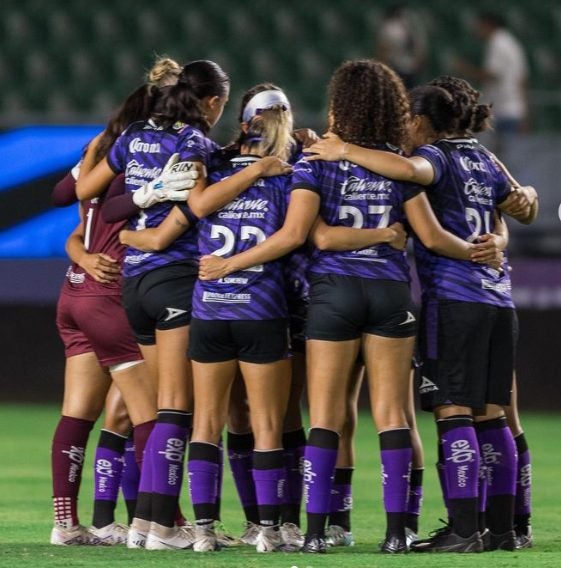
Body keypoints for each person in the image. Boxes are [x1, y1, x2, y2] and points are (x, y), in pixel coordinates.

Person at [198, 60, 500, 554]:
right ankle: (398, 532)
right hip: (389, 295)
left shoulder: (316, 162)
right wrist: (474, 249)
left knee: (326, 415)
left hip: (333, 296)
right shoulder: (398, 165)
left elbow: (308, 235)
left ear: (340, 104)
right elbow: (426, 235)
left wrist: (228, 266)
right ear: (390, 107)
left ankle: (316, 532)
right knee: (392, 415)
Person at [304, 76, 537, 553]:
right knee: (494, 416)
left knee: (453, 411)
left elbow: (408, 175)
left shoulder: (433, 157)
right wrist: (513, 224)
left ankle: (464, 529)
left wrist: (343, 148)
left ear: (419, 121)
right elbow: (522, 205)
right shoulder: (485, 158)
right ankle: (503, 530)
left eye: (408, 119)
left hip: (456, 299)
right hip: (498, 299)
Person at [77, 61, 289, 551]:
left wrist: (140, 194)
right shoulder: (197, 147)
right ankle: (163, 528)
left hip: (135, 285)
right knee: (176, 408)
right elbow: (200, 204)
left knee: (158, 408)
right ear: (214, 103)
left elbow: (91, 196)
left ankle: (143, 525)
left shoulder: (133, 135)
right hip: (176, 281)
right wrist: (257, 164)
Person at [49, 59, 184, 546]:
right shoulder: (151, 153)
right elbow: (115, 212)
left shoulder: (103, 147)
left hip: (74, 291)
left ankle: (69, 524)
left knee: (78, 413)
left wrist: (80, 252)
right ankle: (163, 523)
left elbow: (65, 194)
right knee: (154, 415)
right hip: (112, 293)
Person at [457, 11, 529, 150]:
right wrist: (524, 109)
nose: (476, 30)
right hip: (512, 108)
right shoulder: (511, 43)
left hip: (500, 109)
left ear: (487, 25)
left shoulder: (498, 43)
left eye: (478, 26)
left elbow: (491, 74)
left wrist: (465, 69)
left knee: (493, 157)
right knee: (507, 158)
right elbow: (522, 78)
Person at [376, 3, 427, 88]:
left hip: (403, 66)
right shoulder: (412, 25)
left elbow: (383, 48)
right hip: (400, 65)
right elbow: (383, 48)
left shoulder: (391, 27)